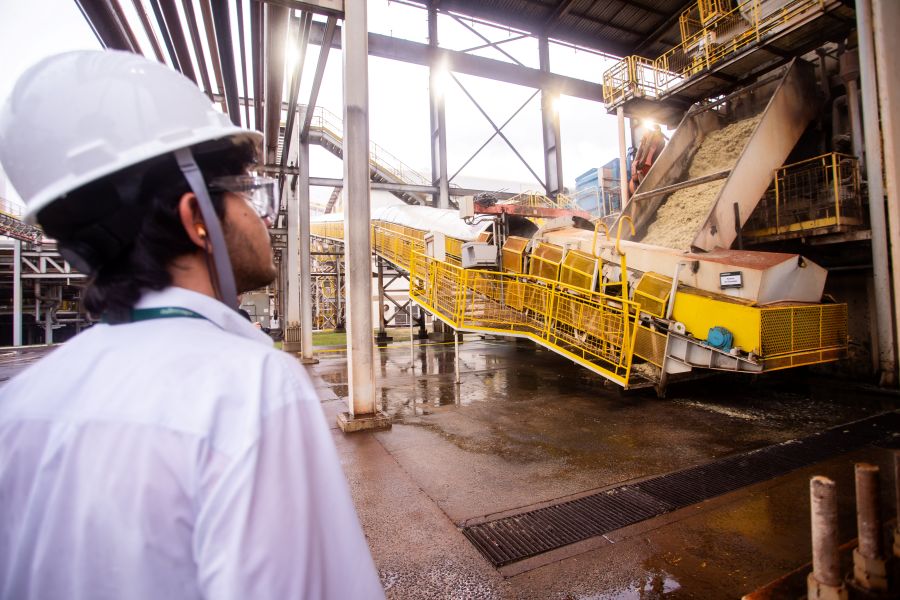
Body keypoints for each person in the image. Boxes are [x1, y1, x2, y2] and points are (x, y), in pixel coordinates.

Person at [0, 50, 384, 600]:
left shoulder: (18, 404)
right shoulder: (251, 388)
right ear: (197, 217)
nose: (263, 217)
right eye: (246, 194)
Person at [629, 123, 668, 194]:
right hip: (643, 169)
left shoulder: (659, 146)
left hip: (651, 168)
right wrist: (635, 168)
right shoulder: (643, 147)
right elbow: (637, 162)